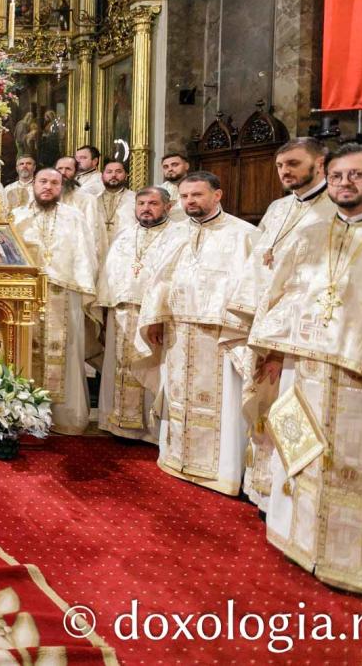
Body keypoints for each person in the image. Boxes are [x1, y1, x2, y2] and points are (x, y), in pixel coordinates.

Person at [243, 144, 362, 614]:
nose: (344, 184)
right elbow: (283, 296)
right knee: (302, 451)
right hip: (306, 369)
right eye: (337, 176)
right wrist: (272, 351)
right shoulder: (309, 234)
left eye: (357, 176)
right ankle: (298, 539)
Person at [226, 137, 333, 511]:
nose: (285, 171)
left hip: (299, 333)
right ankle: (263, 491)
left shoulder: (333, 211)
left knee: (294, 405)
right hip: (265, 323)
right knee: (268, 403)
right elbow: (259, 262)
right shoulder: (278, 207)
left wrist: (277, 340)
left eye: (293, 164)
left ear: (320, 164)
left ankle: (288, 500)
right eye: (280, 166)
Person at [138, 171, 255, 496]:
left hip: (220, 336)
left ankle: (222, 472)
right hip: (178, 333)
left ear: (217, 195)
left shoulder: (243, 235)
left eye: (197, 195)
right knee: (178, 396)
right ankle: (176, 459)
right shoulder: (175, 234)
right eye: (186, 196)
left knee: (222, 403)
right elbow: (159, 280)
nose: (190, 201)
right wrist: (156, 318)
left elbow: (253, 287)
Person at [12, 169, 100, 434]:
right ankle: (23, 413)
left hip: (65, 294)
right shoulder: (17, 217)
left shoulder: (74, 217)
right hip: (26, 296)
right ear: (33, 185)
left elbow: (85, 255)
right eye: (43, 182)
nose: (48, 187)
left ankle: (65, 417)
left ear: (61, 187)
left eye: (54, 182)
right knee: (25, 351)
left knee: (66, 352)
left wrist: (84, 287)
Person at [93, 186, 172, 443]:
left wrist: (161, 315)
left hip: (155, 316)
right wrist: (106, 311)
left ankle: (151, 430)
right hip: (121, 312)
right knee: (119, 367)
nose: (146, 208)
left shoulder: (176, 237)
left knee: (151, 366)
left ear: (168, 207)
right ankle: (118, 424)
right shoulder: (125, 236)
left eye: (153, 203)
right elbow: (109, 274)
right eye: (141, 203)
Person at [94, 160, 137, 252]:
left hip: (126, 250)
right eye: (109, 172)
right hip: (98, 251)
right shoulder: (93, 201)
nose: (113, 175)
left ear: (126, 175)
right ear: (102, 177)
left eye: (118, 172)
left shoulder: (135, 199)